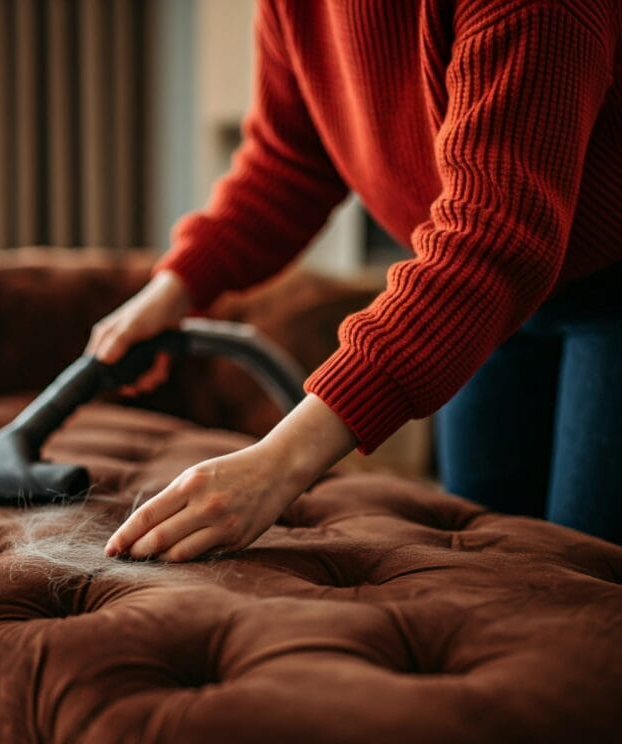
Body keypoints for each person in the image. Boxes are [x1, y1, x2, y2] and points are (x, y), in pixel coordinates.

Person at [89, 0, 622, 561]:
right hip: (492, 309)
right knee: (493, 561)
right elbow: (291, 160)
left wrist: (280, 462)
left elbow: (493, 237)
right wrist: (178, 285)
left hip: (601, 286)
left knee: (589, 575)